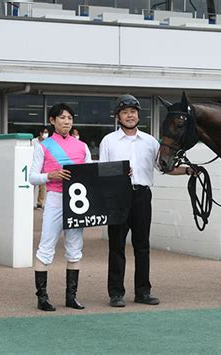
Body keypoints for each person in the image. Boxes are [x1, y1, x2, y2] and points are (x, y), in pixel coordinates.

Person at [99, 94, 194, 307]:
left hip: (142, 195)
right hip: (118, 196)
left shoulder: (151, 141)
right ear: (118, 116)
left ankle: (143, 291)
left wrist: (188, 170)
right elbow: (101, 171)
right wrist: (118, 172)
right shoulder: (109, 141)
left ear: (138, 115)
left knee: (142, 246)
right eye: (125, 112)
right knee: (117, 246)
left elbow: (164, 168)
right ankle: (116, 293)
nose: (130, 115)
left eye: (133, 111)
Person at [29, 103, 92, 311]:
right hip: (55, 198)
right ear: (52, 121)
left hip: (77, 202)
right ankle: (42, 297)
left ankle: (71, 297)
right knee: (46, 247)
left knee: (75, 248)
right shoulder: (43, 146)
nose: (66, 122)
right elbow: (32, 177)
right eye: (62, 118)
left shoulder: (82, 146)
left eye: (70, 118)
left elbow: (92, 174)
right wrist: (50, 175)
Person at [31, 126, 49, 209]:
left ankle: (39, 203)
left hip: (43, 165)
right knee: (32, 185)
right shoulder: (33, 141)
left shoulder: (47, 142)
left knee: (42, 186)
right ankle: (30, 202)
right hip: (33, 164)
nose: (46, 134)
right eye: (45, 132)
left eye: (47, 132)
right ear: (40, 133)